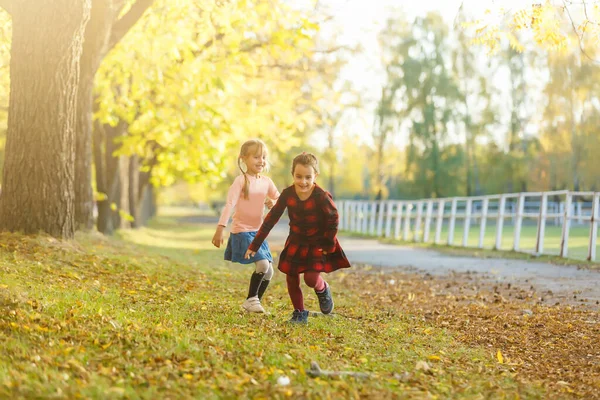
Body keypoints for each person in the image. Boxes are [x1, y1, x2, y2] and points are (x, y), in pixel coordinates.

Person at [245, 152, 351, 324]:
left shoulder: (321, 196)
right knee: (291, 276)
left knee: (310, 278)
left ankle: (323, 289)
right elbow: (271, 219)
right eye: (298, 176)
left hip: (317, 242)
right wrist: (255, 244)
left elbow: (333, 218)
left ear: (315, 175)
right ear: (293, 174)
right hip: (296, 241)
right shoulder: (288, 194)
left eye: (308, 177)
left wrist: (328, 242)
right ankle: (299, 313)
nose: (303, 181)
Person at [212, 139, 280, 313]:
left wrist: (273, 202)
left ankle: (253, 301)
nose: (261, 161)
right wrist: (220, 228)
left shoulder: (266, 182)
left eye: (263, 157)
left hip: (258, 233)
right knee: (263, 265)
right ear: (244, 158)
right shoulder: (240, 181)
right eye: (256, 157)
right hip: (242, 231)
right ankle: (251, 300)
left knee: (269, 271)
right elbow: (229, 204)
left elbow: (280, 199)